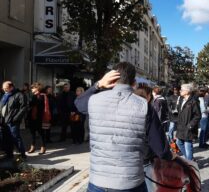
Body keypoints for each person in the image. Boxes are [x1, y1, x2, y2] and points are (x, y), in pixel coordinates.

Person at [74, 62, 174, 191]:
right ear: (134, 82)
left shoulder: (94, 100)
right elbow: (160, 148)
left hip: (98, 180)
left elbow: (78, 103)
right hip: (130, 181)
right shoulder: (144, 106)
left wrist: (98, 84)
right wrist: (171, 157)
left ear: (111, 78)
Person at [0, 81, 27, 159]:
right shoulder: (4, 95)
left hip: (12, 121)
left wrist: (15, 118)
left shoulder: (19, 95)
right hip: (4, 121)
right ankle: (9, 154)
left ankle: (22, 154)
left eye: (6, 88)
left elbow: (24, 108)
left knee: (15, 137)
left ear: (12, 87)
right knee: (6, 137)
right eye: (3, 88)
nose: (4, 90)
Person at [176, 83, 201, 161]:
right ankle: (189, 159)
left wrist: (190, 125)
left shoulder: (194, 101)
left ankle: (190, 164)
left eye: (182, 90)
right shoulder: (181, 99)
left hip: (189, 127)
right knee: (178, 142)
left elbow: (198, 115)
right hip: (181, 126)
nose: (180, 91)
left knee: (187, 145)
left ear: (187, 91)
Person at [27, 83, 48, 155]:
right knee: (32, 133)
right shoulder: (33, 95)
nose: (31, 89)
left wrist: (30, 102)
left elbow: (37, 104)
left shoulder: (42, 96)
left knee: (41, 133)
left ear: (37, 88)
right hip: (31, 117)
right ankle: (32, 147)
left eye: (33, 88)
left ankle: (43, 147)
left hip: (39, 117)